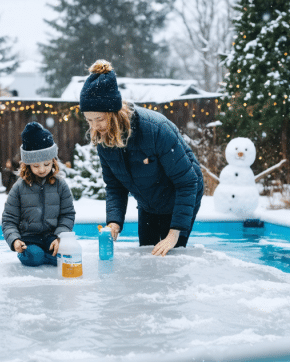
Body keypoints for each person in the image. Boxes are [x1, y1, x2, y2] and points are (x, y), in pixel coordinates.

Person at [79, 59, 205, 256]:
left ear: (114, 113)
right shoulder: (104, 140)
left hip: (179, 195)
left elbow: (188, 182)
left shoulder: (155, 129)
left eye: (100, 119)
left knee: (170, 256)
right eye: (89, 120)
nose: (95, 127)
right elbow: (114, 185)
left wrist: (174, 235)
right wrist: (114, 223)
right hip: (148, 202)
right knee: (147, 254)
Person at [2, 122, 76, 267]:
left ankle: (50, 255)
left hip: (52, 238)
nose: (42, 169)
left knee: (67, 253)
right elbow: (9, 219)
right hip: (29, 240)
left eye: (47, 164)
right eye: (36, 165)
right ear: (27, 164)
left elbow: (67, 214)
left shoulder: (60, 185)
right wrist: (15, 240)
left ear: (53, 162)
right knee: (35, 256)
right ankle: (42, 256)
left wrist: (60, 237)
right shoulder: (19, 187)